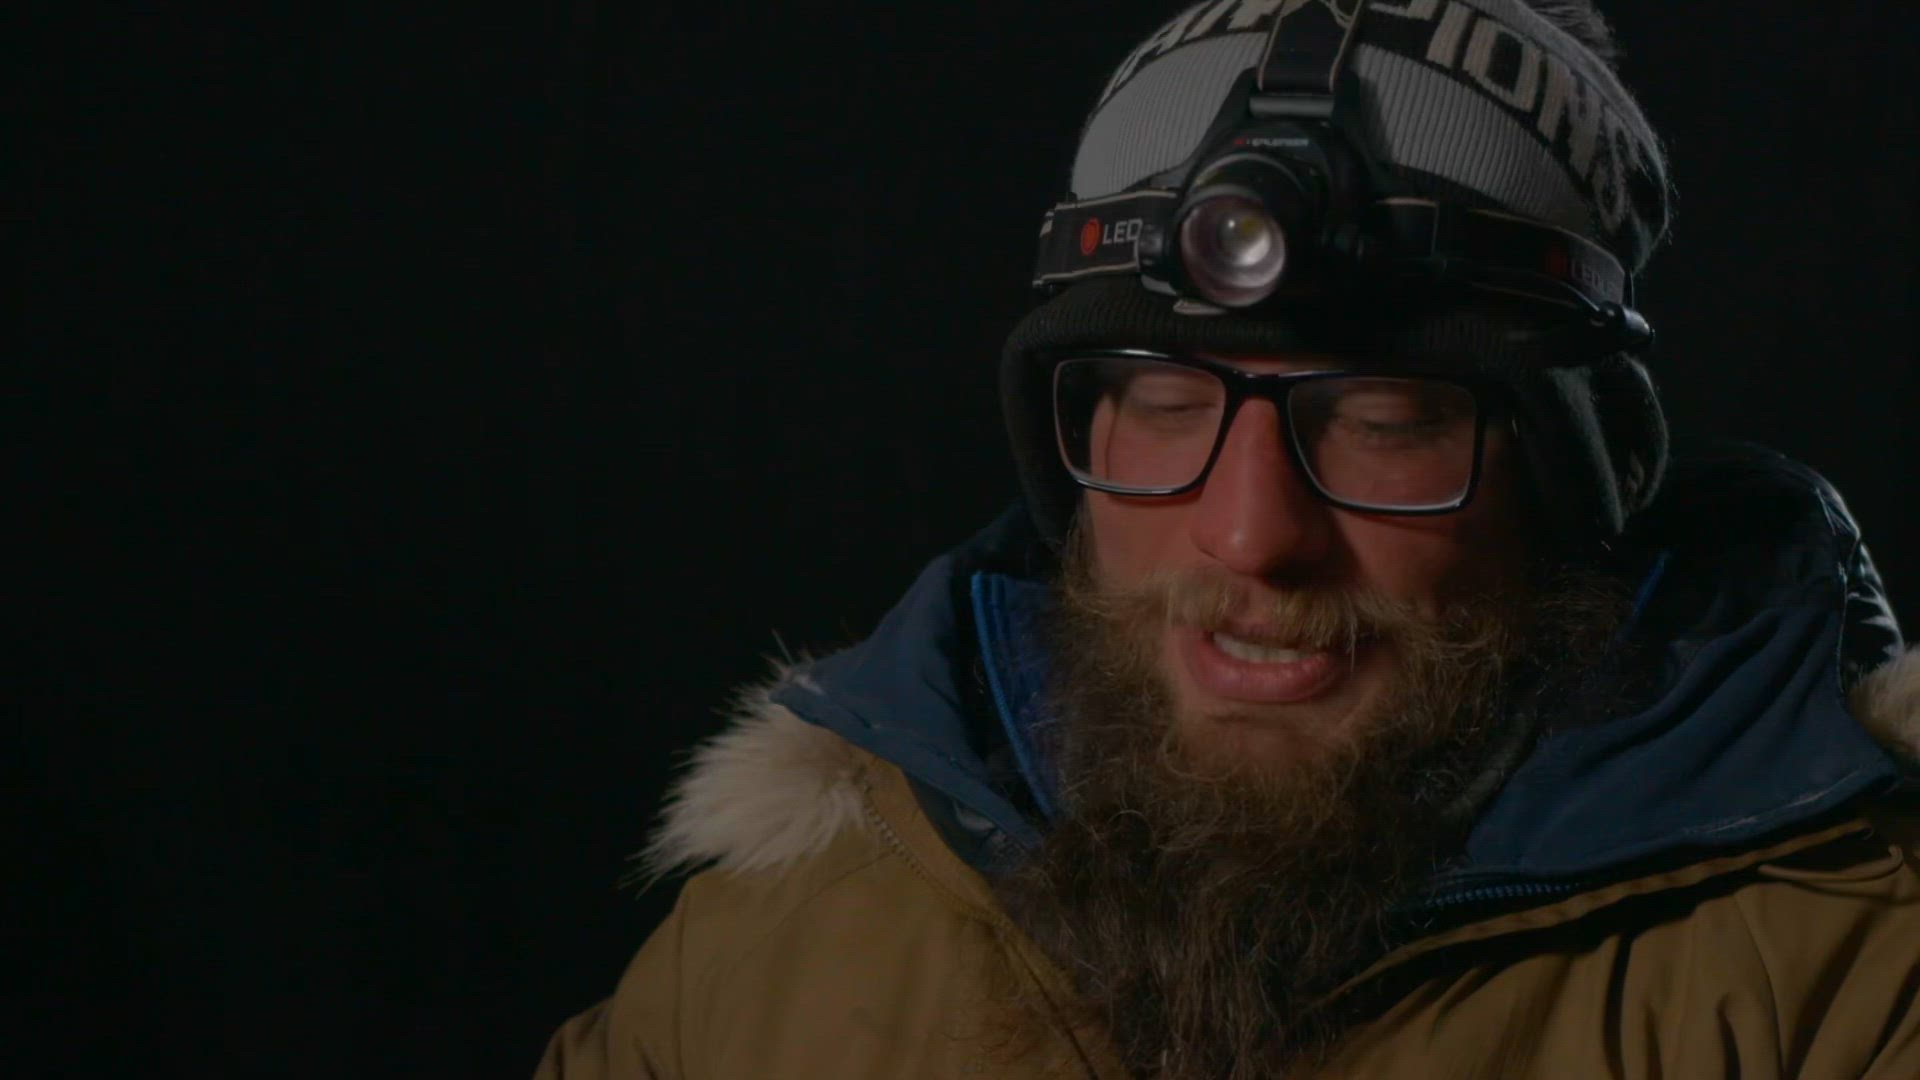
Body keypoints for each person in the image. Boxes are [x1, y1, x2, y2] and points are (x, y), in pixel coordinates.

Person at [538, 1, 1920, 1076]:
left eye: (1381, 420)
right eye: (1164, 403)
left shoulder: (1850, 974)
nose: (1252, 537)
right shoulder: (783, 943)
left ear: (1584, 476)